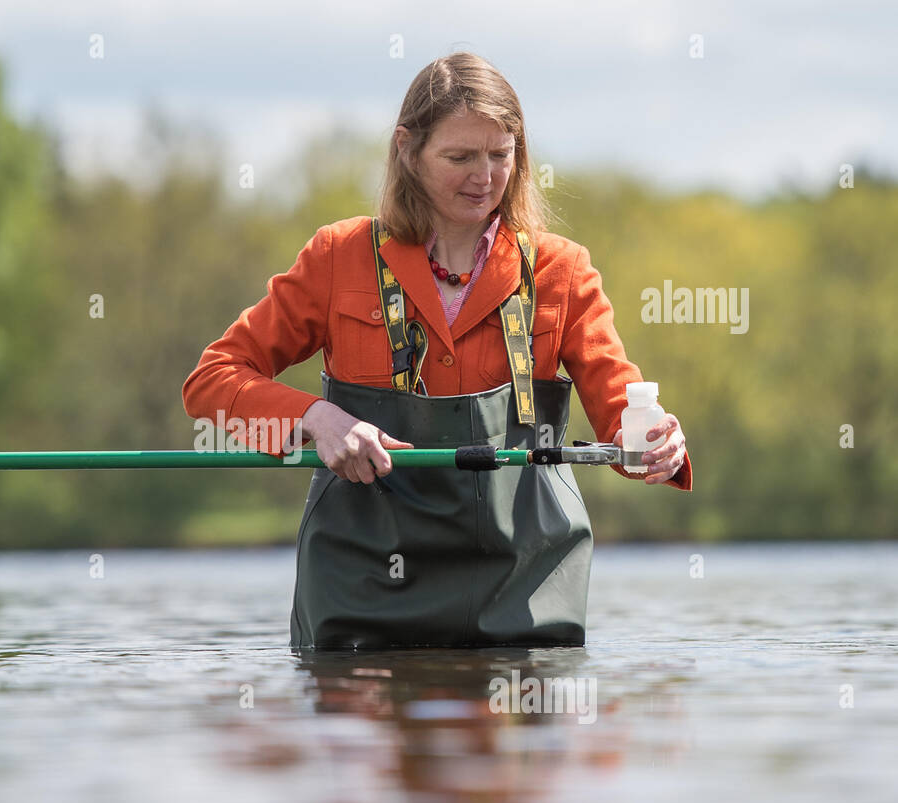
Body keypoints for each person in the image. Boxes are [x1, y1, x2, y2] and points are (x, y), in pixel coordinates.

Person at [182, 52, 691, 649]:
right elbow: (211, 382)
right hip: (360, 588)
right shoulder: (336, 256)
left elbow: (623, 420)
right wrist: (315, 420)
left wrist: (655, 447)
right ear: (407, 149)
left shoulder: (564, 271)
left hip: (523, 591)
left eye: (502, 155)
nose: (485, 176)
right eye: (460, 157)